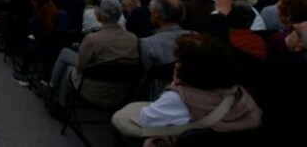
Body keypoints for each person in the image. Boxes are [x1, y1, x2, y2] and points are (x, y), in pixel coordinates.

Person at [112, 32, 262, 145]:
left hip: (187, 133)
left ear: (189, 69)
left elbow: (148, 120)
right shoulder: (237, 91)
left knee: (122, 119)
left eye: (179, 61)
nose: (176, 64)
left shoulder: (179, 98)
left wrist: (176, 84)